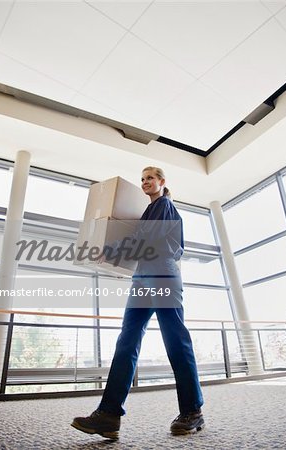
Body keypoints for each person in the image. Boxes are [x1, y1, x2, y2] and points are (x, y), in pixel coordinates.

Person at [71, 167, 204, 439]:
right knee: (127, 340)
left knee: (175, 340)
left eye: (150, 178)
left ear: (161, 182)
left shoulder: (164, 205)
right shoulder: (150, 210)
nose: (145, 182)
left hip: (162, 276)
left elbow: (146, 240)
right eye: (142, 179)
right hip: (142, 277)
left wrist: (106, 249)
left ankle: (192, 411)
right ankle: (108, 414)